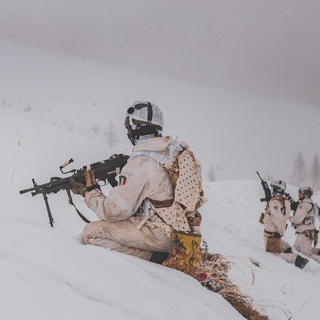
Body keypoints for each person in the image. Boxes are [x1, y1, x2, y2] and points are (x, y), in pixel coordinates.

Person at [69, 101, 206, 265]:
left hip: (161, 234)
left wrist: (89, 191)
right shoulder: (176, 152)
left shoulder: (143, 162)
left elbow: (113, 211)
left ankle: (155, 260)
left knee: (92, 232)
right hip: (185, 233)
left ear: (133, 129)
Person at [261, 180, 309, 269]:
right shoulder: (284, 201)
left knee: (274, 255)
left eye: (273, 189)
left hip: (271, 234)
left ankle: (297, 259)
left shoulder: (274, 203)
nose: (271, 190)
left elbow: (278, 218)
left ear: (276, 190)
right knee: (283, 245)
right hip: (273, 233)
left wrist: (281, 230)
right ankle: (288, 250)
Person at [290, 187, 320, 263]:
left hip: (305, 234)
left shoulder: (304, 205)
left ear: (305, 195)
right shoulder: (311, 204)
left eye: (300, 194)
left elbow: (297, 219)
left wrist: (290, 218)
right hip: (304, 233)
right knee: (295, 250)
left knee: (306, 256)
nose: (299, 195)